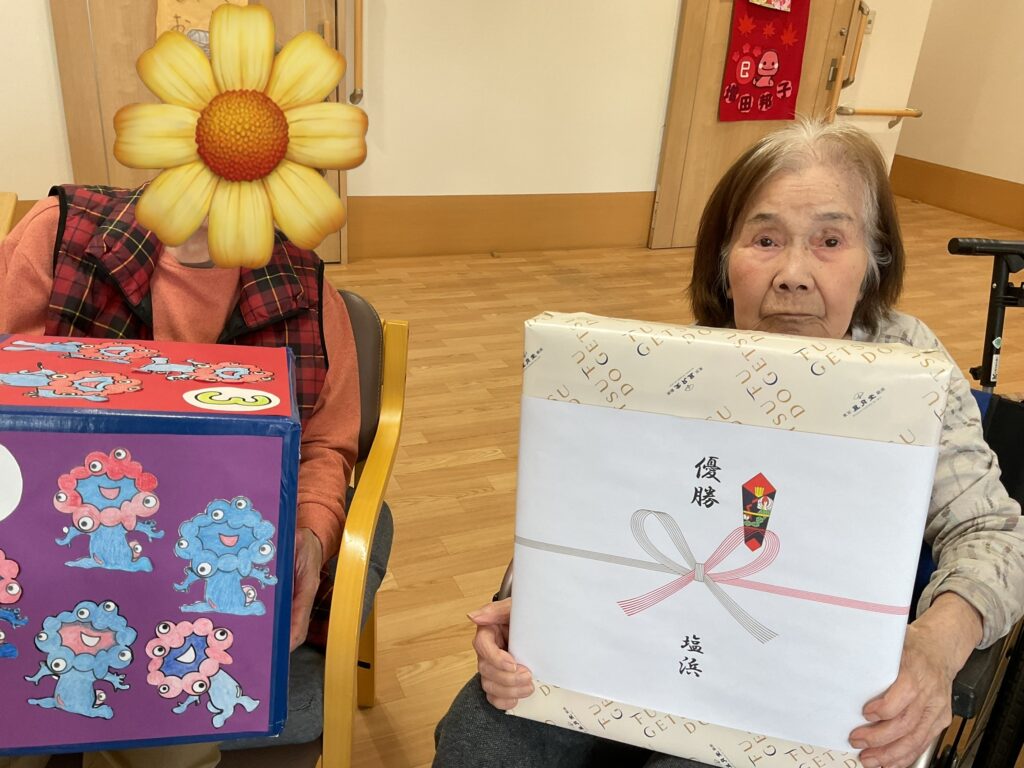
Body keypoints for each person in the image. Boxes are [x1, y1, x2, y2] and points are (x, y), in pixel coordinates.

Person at [433, 119, 1024, 768]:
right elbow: (580, 514)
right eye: (765, 240)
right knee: (479, 735)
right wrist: (521, 609)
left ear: (873, 261)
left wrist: (938, 644)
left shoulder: (911, 372)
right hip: (647, 640)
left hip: (793, 669)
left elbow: (994, 531)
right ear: (723, 262)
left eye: (830, 240)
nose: (793, 274)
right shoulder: (675, 365)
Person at [0, 183, 393, 768]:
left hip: (188, 588)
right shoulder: (60, 234)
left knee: (169, 749)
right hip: (31, 560)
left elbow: (326, 446)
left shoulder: (304, 289)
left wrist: (311, 532)